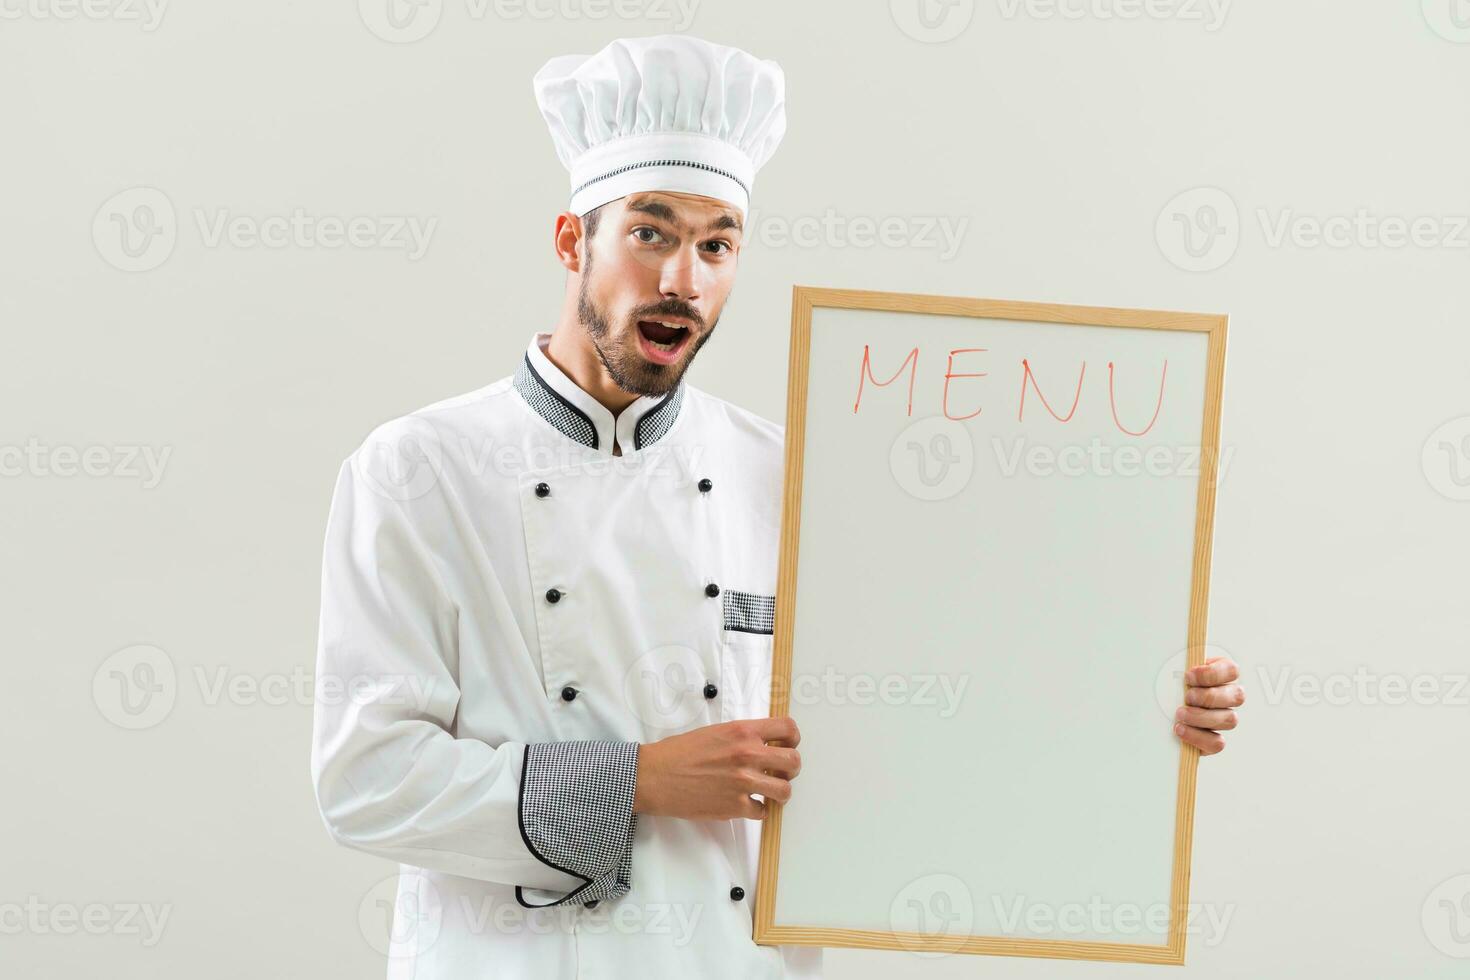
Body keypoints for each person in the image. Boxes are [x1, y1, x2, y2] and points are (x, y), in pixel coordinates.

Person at [309, 33, 1245, 980]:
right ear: (570, 240)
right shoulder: (417, 471)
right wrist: (637, 782)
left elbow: (934, 704)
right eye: (650, 232)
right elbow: (366, 782)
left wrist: (1137, 707)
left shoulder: (789, 474)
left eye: (717, 244)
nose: (684, 278)